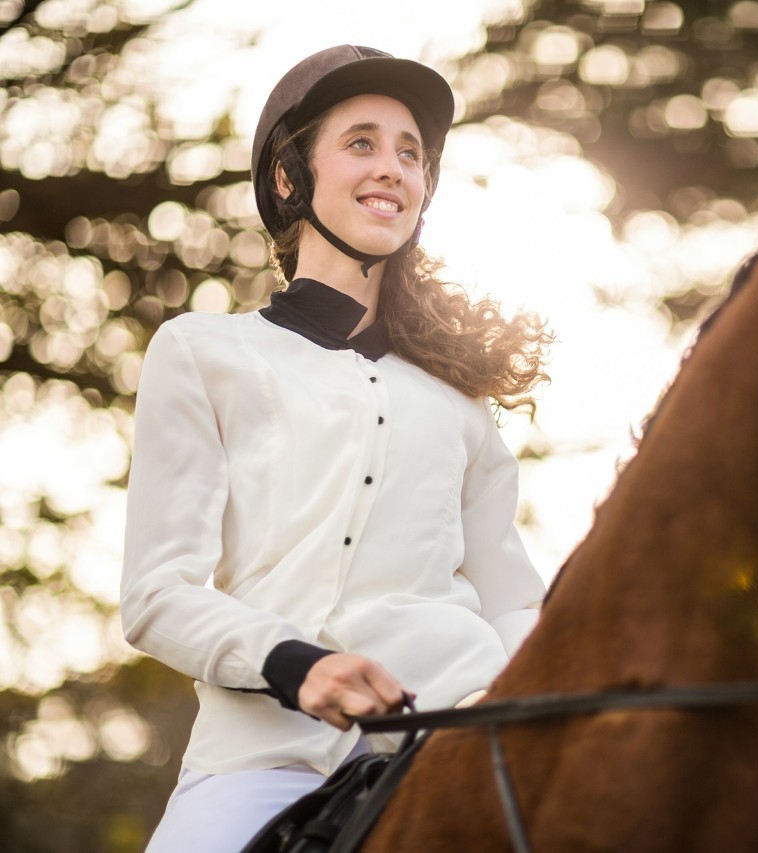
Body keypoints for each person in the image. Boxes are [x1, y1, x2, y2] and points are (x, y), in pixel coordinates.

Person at [119, 45, 551, 851]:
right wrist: (298, 663)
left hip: (453, 738)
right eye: (362, 142)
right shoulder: (201, 353)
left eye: (410, 153)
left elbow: (510, 603)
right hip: (258, 764)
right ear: (289, 178)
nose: (392, 168)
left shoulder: (462, 405)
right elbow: (155, 594)